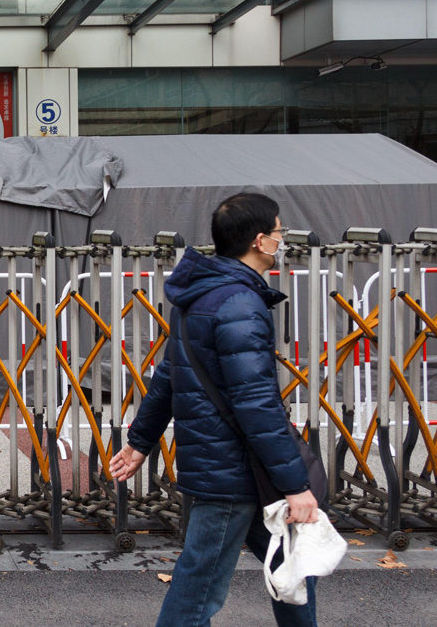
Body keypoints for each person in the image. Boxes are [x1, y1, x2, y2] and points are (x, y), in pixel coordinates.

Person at [110, 192, 320, 627]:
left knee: (295, 568)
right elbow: (256, 403)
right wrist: (295, 485)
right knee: (196, 593)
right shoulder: (240, 304)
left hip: (229, 467)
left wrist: (139, 443)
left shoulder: (204, 297)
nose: (282, 241)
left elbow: (169, 375)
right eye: (280, 233)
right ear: (261, 241)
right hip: (232, 475)